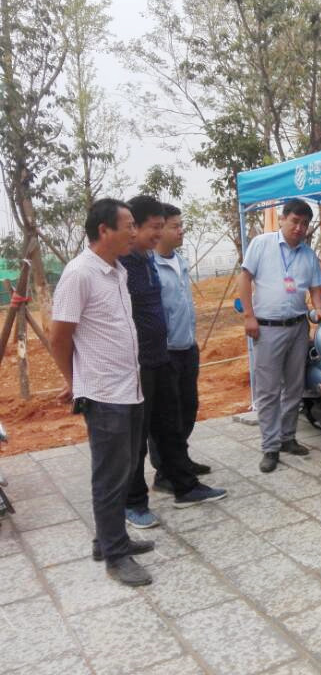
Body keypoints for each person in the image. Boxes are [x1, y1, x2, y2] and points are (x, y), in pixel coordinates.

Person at [50, 199, 154, 586]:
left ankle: (108, 538)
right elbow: (59, 337)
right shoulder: (79, 273)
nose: (134, 232)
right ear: (104, 230)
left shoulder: (118, 271)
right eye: (128, 226)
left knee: (124, 470)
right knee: (110, 475)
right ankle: (115, 555)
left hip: (130, 386)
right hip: (104, 392)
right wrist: (74, 382)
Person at [121, 196, 226, 529]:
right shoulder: (119, 266)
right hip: (137, 364)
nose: (158, 234)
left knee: (171, 426)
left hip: (162, 358)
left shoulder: (146, 261)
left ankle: (184, 485)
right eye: (155, 227)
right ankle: (134, 502)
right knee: (137, 438)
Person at [239, 198, 321, 473]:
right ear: (282, 219)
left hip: (298, 328)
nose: (299, 227)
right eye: (294, 221)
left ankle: (287, 437)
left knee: (294, 386)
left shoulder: (308, 255)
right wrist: (248, 316)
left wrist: (319, 308)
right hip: (266, 328)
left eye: (304, 223)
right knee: (268, 390)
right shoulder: (261, 244)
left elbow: (315, 290)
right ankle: (270, 447)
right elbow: (244, 278)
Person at [151, 203, 210, 493]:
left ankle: (179, 459)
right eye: (175, 226)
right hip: (166, 353)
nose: (181, 230)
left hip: (187, 347)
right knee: (166, 415)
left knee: (188, 407)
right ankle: (165, 472)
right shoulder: (150, 266)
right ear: (159, 229)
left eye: (181, 225)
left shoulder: (181, 261)